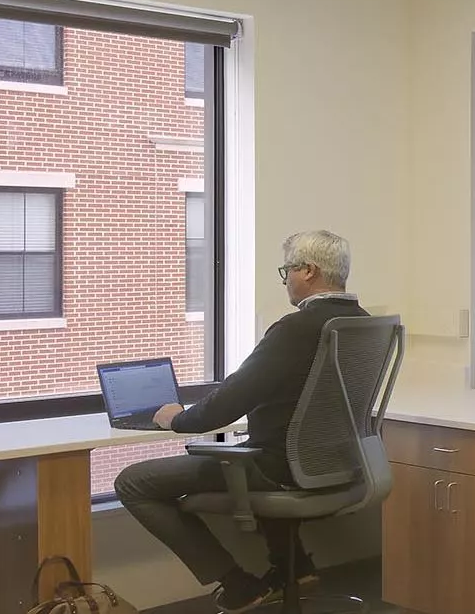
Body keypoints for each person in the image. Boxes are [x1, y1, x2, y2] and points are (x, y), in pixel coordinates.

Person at [117, 230, 367, 612]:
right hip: (335, 463)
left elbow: (227, 404)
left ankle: (238, 585)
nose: (286, 282)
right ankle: (295, 567)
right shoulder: (361, 323)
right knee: (257, 451)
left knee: (133, 482)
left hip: (281, 468)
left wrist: (178, 418)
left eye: (287, 272)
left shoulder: (294, 329)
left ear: (309, 271)